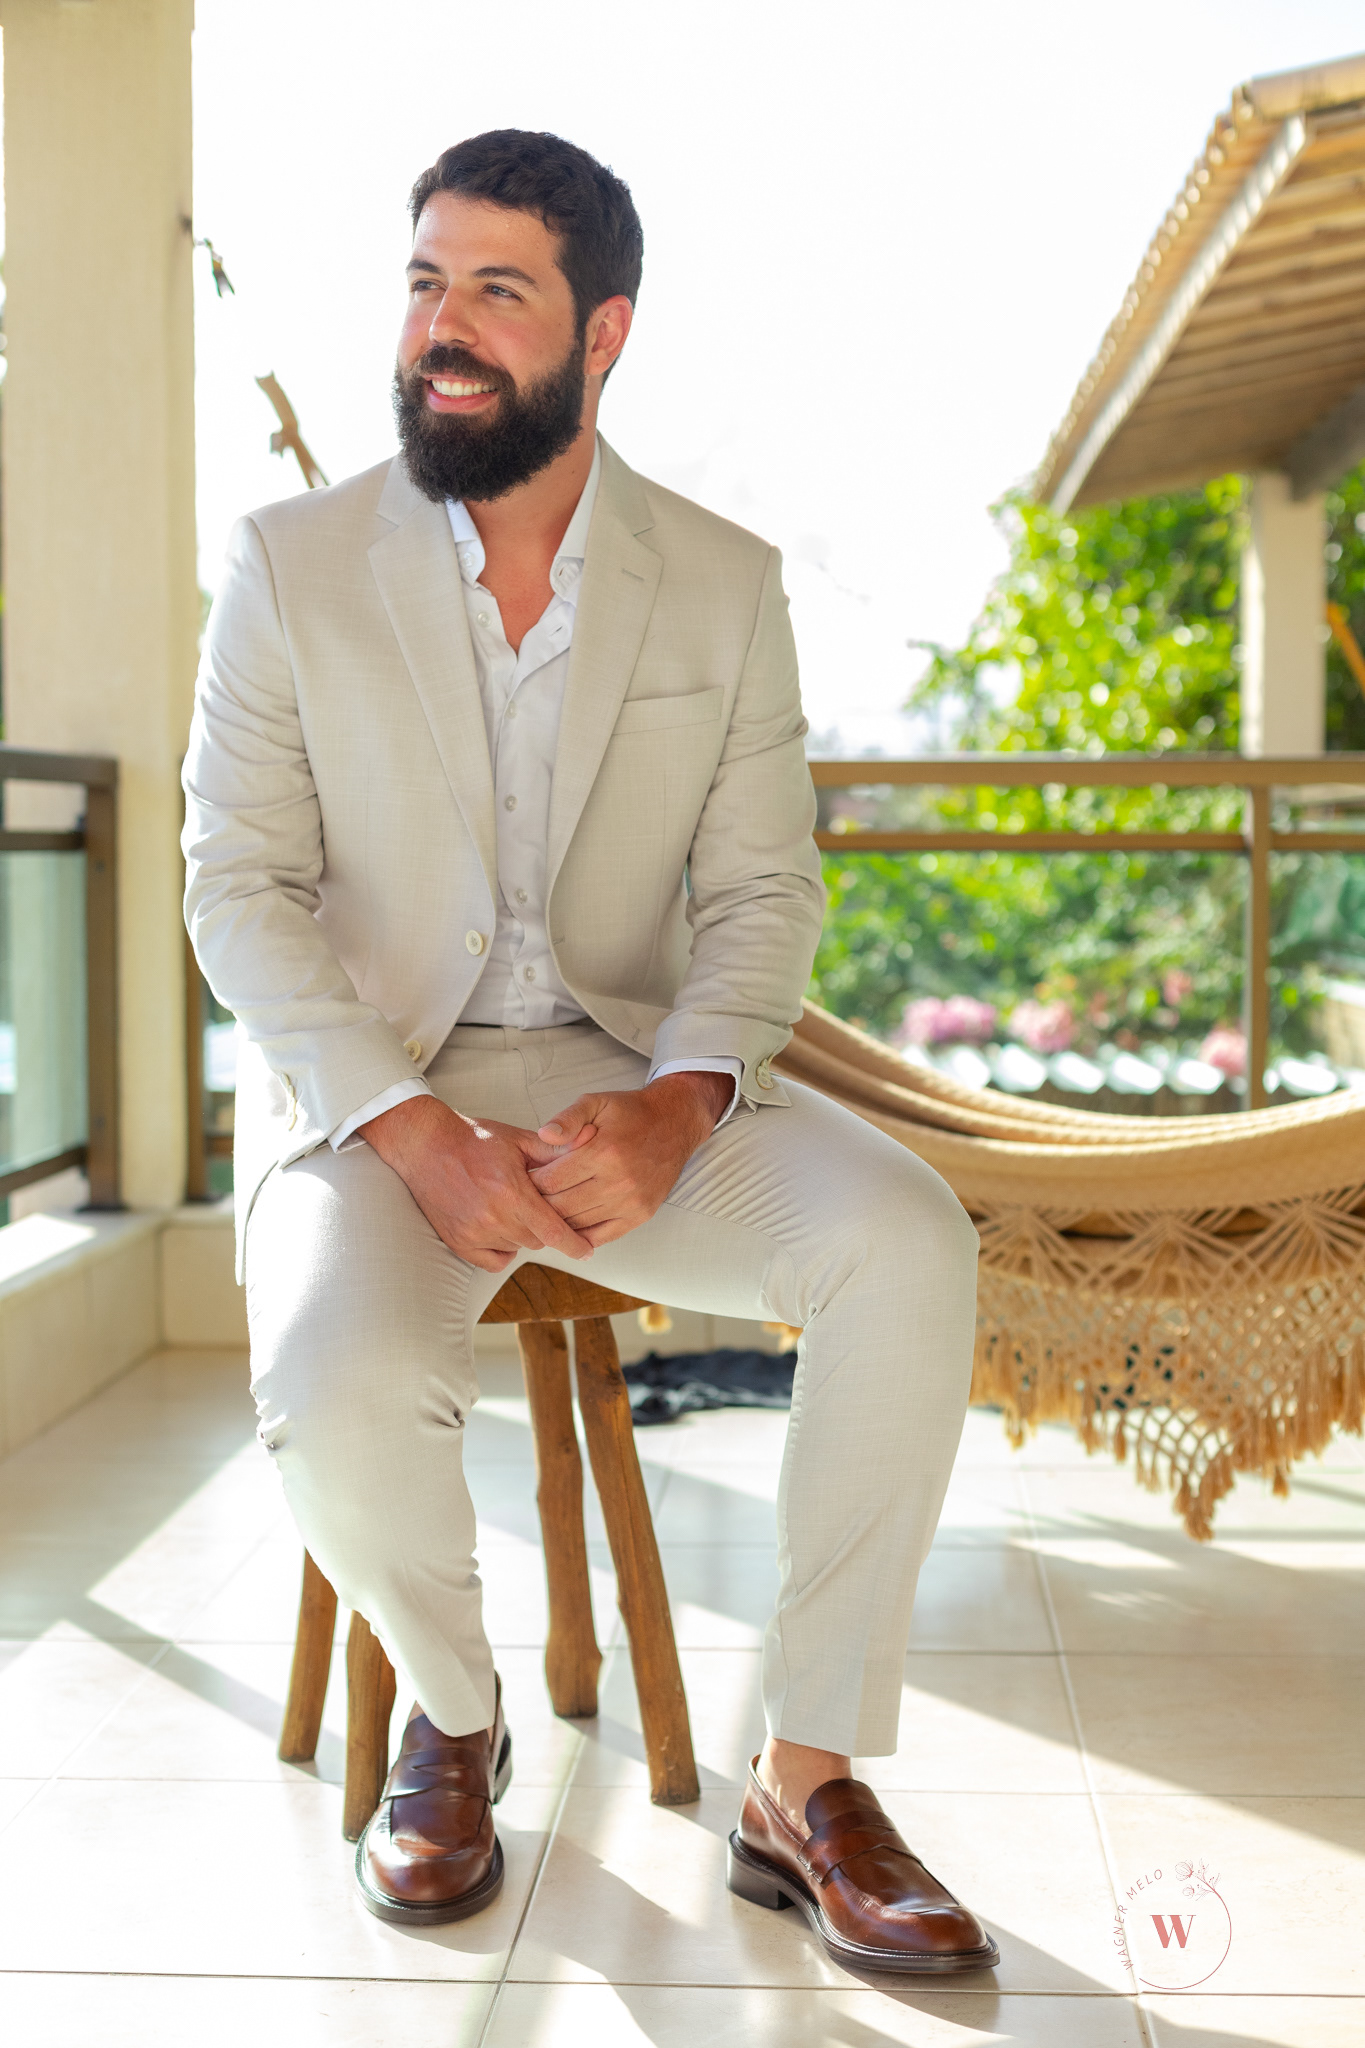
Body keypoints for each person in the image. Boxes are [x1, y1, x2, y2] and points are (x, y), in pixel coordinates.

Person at [183, 129, 996, 1975]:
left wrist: (682, 1100)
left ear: (602, 333)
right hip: (374, 1098)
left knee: (907, 1241)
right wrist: (406, 1125)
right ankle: (452, 1720)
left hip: (635, 1081)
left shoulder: (720, 581)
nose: (441, 328)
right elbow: (235, 888)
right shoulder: (288, 568)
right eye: (424, 282)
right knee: (325, 1374)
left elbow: (763, 894)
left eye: (496, 290)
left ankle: (806, 1776)